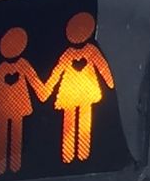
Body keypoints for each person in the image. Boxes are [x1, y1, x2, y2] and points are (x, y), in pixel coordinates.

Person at [41, 12, 114, 163]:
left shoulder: (91, 51)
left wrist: (111, 83)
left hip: (85, 90)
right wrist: (45, 91)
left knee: (84, 122)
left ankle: (82, 153)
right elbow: (57, 71)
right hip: (71, 92)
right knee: (69, 122)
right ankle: (69, 155)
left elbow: (103, 67)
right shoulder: (68, 54)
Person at [0, 27, 46, 175]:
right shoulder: (3, 68)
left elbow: (33, 80)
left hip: (17, 105)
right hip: (3, 106)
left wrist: (43, 93)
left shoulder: (22, 65)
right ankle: (1, 166)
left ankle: (14, 165)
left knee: (16, 134)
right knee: (2, 134)